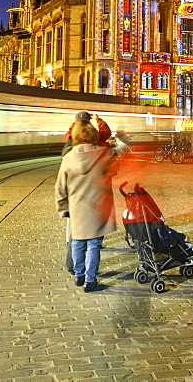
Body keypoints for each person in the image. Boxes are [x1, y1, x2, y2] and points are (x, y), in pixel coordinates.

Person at [55, 120, 117, 292]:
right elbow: (114, 171)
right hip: (98, 208)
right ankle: (90, 281)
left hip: (77, 208)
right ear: (94, 136)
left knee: (77, 242)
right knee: (94, 245)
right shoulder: (104, 154)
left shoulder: (68, 158)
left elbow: (60, 187)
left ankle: (78, 275)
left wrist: (63, 209)